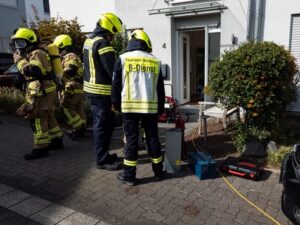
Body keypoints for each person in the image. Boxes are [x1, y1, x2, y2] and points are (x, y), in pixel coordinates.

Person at [112, 29, 165, 185]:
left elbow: (115, 84)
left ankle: (129, 176)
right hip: (150, 107)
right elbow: (160, 88)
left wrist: (115, 103)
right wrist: (160, 108)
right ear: (145, 43)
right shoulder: (154, 60)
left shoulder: (122, 59)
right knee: (153, 138)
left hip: (129, 108)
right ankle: (158, 172)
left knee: (132, 140)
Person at [11, 27, 64, 160]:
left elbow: (34, 71)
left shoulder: (37, 53)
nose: (19, 47)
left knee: (37, 118)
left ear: (30, 41)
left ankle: (41, 148)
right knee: (48, 115)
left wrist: (19, 61)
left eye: (21, 43)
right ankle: (57, 141)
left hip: (42, 90)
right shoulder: (36, 53)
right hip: (45, 89)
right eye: (17, 43)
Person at [83, 13, 123, 170]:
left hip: (92, 92)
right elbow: (113, 73)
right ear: (109, 29)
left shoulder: (89, 41)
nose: (113, 37)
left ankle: (105, 154)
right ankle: (102, 160)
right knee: (103, 126)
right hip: (102, 93)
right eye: (114, 33)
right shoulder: (104, 45)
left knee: (101, 125)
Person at [53, 34, 86, 140]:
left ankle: (79, 127)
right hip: (77, 86)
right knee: (78, 108)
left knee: (66, 106)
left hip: (72, 86)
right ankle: (81, 130)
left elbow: (71, 69)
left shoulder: (69, 56)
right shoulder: (72, 55)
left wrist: (59, 77)